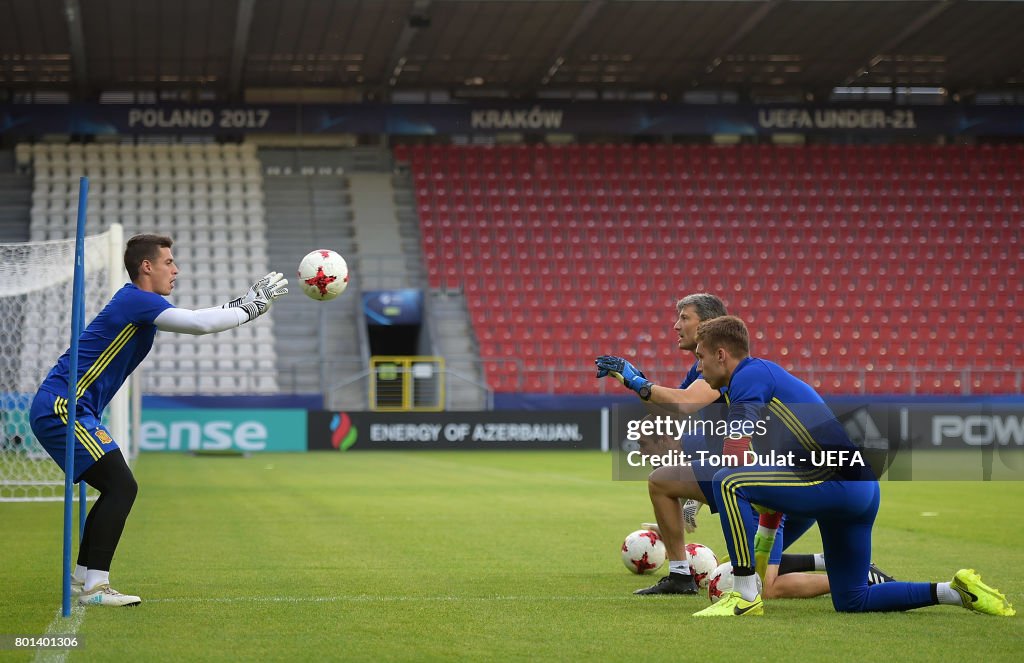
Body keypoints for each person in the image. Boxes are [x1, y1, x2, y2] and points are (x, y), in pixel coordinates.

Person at [682, 316, 1014, 617]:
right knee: (853, 599)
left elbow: (735, 458)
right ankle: (953, 591)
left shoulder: (748, 376)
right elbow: (770, 485)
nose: (698, 368)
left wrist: (749, 573)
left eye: (701, 357)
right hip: (859, 487)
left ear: (722, 354)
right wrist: (761, 542)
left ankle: (742, 596)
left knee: (727, 480)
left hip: (831, 480)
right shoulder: (759, 379)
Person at [30, 234, 288, 607]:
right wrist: (251, 307)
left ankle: (84, 579)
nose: (176, 269)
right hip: (63, 408)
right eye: (169, 262)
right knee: (121, 487)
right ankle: (94, 587)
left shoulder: (139, 303)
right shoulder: (137, 300)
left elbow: (199, 317)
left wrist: (244, 303)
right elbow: (199, 324)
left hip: (72, 408)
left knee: (117, 487)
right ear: (146, 267)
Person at [599, 294, 888, 598]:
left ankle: (859, 578)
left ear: (707, 326)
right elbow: (675, 413)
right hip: (780, 473)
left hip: (782, 481)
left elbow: (684, 404)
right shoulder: (709, 370)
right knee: (727, 556)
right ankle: (827, 563)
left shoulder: (729, 375)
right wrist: (641, 386)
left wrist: (636, 382)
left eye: (684, 317)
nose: (676, 325)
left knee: (764, 584)